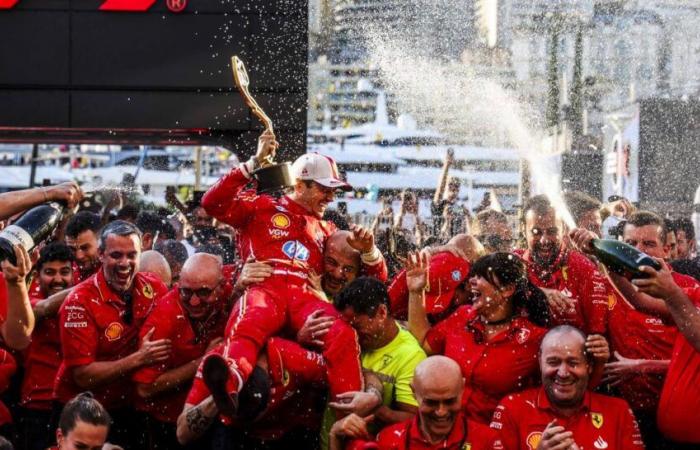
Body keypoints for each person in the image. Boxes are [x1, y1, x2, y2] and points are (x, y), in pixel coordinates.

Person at [200, 131, 384, 415]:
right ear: (300, 184)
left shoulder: (330, 231)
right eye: (324, 188)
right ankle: (231, 380)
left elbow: (372, 284)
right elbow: (213, 203)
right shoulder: (261, 206)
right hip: (265, 289)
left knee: (343, 333)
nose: (331, 197)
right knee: (251, 318)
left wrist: (370, 251)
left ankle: (348, 421)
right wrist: (252, 164)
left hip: (305, 297)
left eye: (334, 190)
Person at [570, 210, 698, 448]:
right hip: (626, 412)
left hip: (674, 422)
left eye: (648, 244)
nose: (638, 251)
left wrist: (644, 366)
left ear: (667, 250)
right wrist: (600, 253)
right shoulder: (607, 287)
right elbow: (639, 301)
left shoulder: (685, 289)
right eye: (630, 244)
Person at [55, 220, 171, 447]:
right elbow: (83, 375)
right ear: (101, 255)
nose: (125, 263)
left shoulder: (154, 287)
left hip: (128, 406)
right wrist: (140, 358)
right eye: (116, 255)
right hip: (81, 411)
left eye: (132, 255)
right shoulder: (78, 302)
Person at [406, 252, 554, 423]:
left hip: (495, 439)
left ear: (507, 290)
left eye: (481, 277)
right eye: (473, 276)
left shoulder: (536, 339)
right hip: (448, 431)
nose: (471, 282)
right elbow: (424, 343)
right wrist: (416, 292)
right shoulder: (462, 316)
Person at [490, 325, 642, 450]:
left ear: (588, 365)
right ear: (540, 362)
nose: (563, 373)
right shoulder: (512, 409)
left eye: (573, 363)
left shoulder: (618, 412)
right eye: (553, 362)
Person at [133, 253, 227, 448]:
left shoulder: (229, 290)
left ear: (222, 285)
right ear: (178, 284)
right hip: (165, 421)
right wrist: (203, 362)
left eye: (203, 293)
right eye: (186, 292)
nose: (193, 301)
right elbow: (144, 388)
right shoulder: (164, 318)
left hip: (209, 416)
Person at [176, 337, 328, 448]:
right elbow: (182, 435)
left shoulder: (296, 359)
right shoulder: (216, 366)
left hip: (291, 428)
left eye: (252, 416)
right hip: (235, 433)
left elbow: (340, 378)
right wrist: (217, 398)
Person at [329, 356, 497, 450]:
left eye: (449, 401)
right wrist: (335, 436)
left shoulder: (487, 442)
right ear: (413, 392)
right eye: (431, 402)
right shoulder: (389, 440)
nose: (441, 411)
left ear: (462, 389)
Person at [332, 277, 426, 426]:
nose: (350, 333)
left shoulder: (410, 356)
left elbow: (415, 420)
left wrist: (374, 408)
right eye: (346, 326)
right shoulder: (346, 336)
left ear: (382, 312)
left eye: (356, 326)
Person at [629, 262, 700, 445]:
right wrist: (605, 256)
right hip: (670, 438)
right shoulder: (696, 295)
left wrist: (672, 293)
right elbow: (641, 301)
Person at [518, 195, 608, 334]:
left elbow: (597, 333)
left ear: (564, 229)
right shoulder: (513, 262)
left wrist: (599, 342)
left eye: (552, 232)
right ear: (524, 230)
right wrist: (538, 293)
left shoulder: (583, 267)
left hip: (567, 353)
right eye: (536, 232)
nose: (544, 240)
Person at [18, 243, 76, 450]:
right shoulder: (28, 302)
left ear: (73, 273)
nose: (58, 279)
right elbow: (44, 307)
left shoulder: (82, 303)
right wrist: (96, 283)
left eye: (65, 272)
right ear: (37, 274)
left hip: (72, 405)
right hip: (37, 404)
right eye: (50, 272)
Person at [65, 211, 102, 283]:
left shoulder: (113, 272)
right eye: (72, 249)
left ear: (101, 243)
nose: (79, 256)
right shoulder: (66, 270)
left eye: (85, 248)